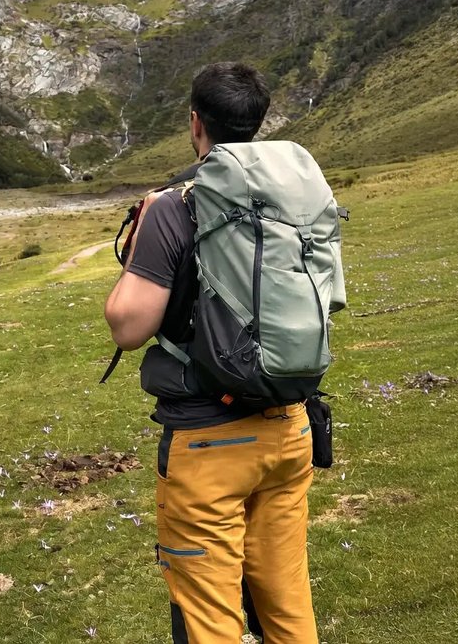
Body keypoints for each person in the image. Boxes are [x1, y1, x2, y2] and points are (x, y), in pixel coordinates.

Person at [102, 61, 318, 644]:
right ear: (258, 122)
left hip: (209, 444)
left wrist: (142, 236)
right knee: (287, 602)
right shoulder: (289, 195)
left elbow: (128, 326)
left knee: (211, 620)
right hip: (291, 425)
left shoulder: (176, 206)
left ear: (196, 124)